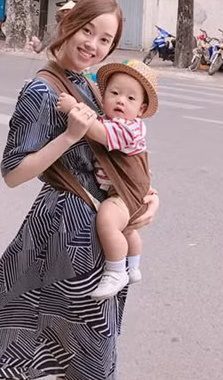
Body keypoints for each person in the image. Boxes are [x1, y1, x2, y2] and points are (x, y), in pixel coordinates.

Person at [0, 0, 159, 380]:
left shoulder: (89, 84)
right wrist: (69, 136)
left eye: (105, 40)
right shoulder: (40, 90)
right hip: (72, 236)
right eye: (87, 30)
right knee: (97, 378)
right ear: (69, 25)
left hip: (93, 226)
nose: (93, 45)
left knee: (75, 363)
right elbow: (14, 173)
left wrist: (146, 197)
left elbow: (121, 151)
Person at [56, 59, 158, 300]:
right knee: (127, 231)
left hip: (125, 193)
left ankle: (115, 271)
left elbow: (98, 133)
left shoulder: (129, 128)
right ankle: (133, 266)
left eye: (130, 98)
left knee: (108, 221)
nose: (121, 100)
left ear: (141, 109)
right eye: (114, 93)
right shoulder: (111, 120)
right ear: (103, 98)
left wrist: (74, 108)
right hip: (125, 190)